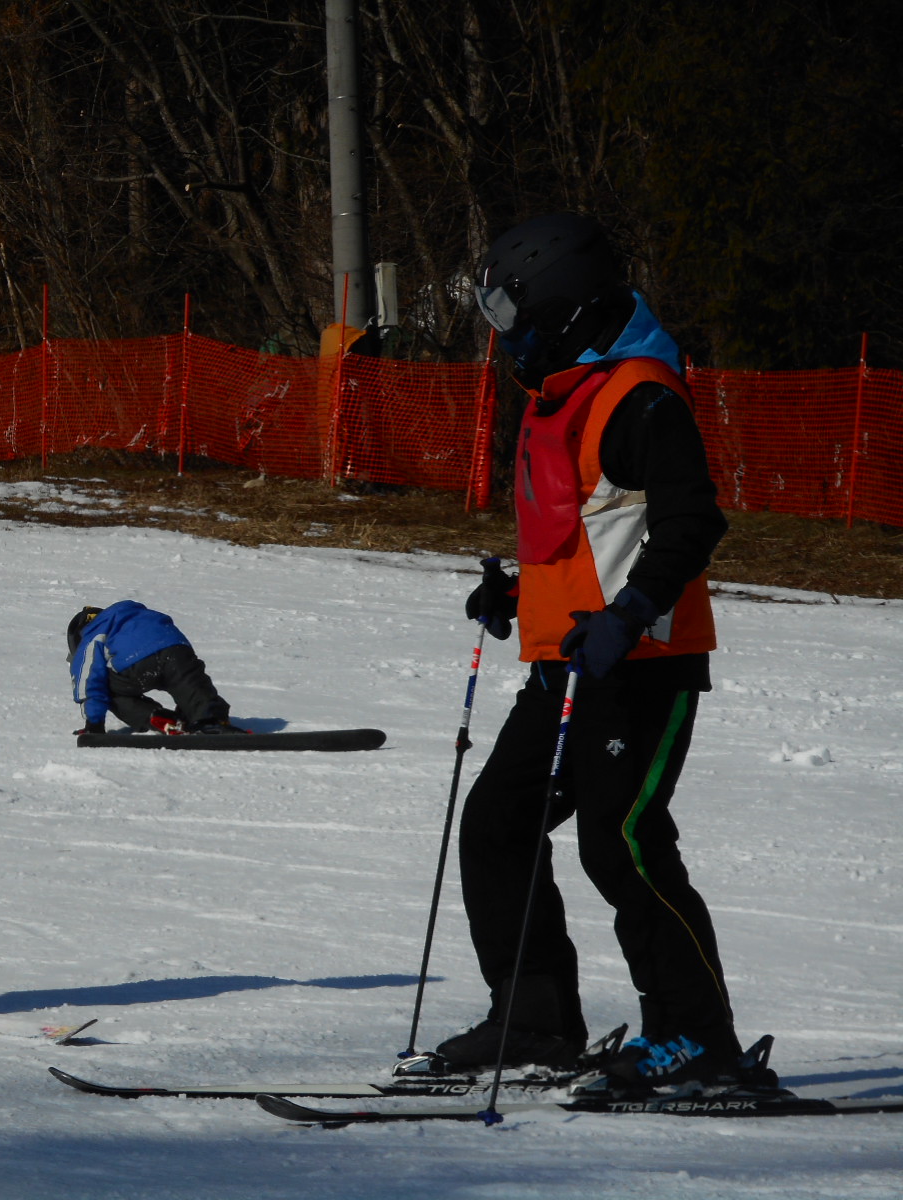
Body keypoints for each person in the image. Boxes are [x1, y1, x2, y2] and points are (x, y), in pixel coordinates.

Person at [438, 213, 746, 1089]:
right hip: (569, 669)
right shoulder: (568, 392)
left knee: (622, 842)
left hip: (643, 666)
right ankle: (534, 1018)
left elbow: (693, 520)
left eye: (511, 313)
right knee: (498, 823)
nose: (507, 337)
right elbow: (589, 537)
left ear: (563, 306)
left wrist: (633, 611)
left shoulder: (640, 394)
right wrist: (517, 597)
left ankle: (698, 1041)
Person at [67, 601, 237, 735]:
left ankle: (157, 717)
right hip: (175, 647)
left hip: (134, 663)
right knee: (188, 681)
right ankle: (210, 719)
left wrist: (94, 723)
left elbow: (89, 681)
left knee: (105, 688)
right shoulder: (136, 614)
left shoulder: (91, 634)